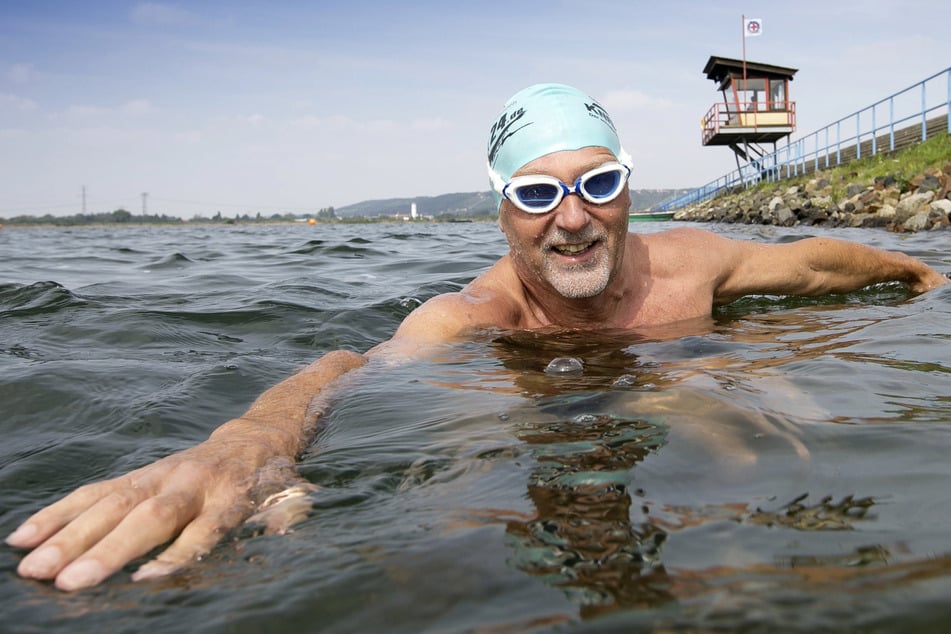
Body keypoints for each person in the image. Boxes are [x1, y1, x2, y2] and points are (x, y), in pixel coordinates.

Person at [7, 83, 949, 591]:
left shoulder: (693, 263)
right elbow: (352, 367)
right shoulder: (476, 315)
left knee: (738, 414)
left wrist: (921, 273)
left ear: (629, 189)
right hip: (537, 405)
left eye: (597, 183)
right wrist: (248, 443)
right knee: (458, 493)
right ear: (502, 213)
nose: (571, 218)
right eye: (537, 194)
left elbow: (825, 263)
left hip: (686, 368)